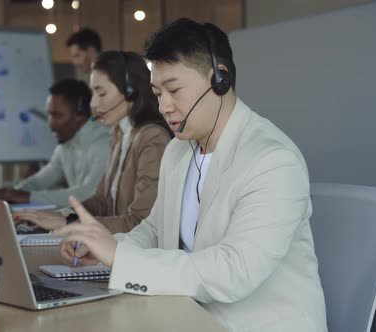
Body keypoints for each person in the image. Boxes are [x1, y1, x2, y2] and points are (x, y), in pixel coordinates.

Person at [52, 19, 328, 331]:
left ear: (219, 79)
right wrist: (104, 246)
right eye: (157, 93)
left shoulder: (273, 161)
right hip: (187, 315)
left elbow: (234, 271)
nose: (164, 106)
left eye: (174, 90)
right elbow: (155, 232)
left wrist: (121, 258)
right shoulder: (178, 151)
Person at [14, 51, 172, 234]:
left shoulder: (151, 139)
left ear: (131, 92)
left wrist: (71, 224)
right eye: (93, 94)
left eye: (102, 93)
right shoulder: (118, 135)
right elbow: (101, 202)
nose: (93, 104)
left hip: (133, 255)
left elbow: (140, 223)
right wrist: (62, 216)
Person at [0, 79, 110, 208]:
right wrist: (11, 193)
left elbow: (89, 193)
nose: (50, 124)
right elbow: (39, 181)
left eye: (57, 115)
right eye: (49, 114)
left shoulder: (103, 142)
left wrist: (27, 197)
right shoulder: (66, 144)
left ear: (79, 114)